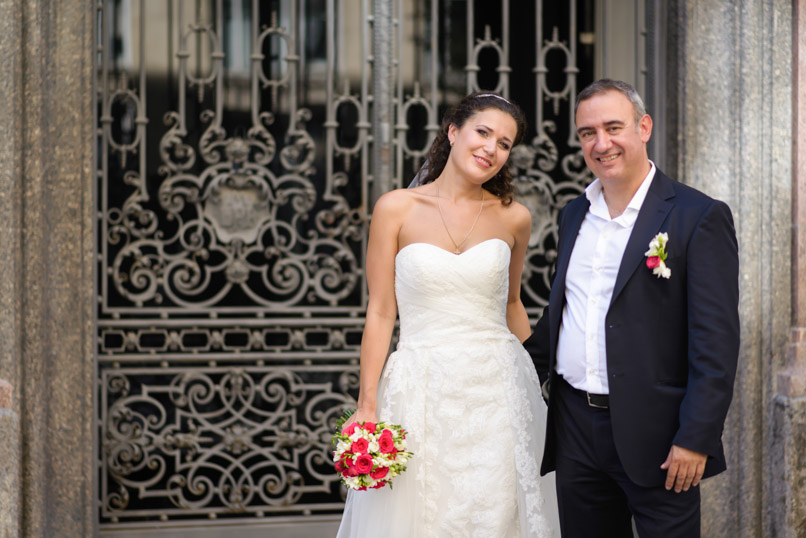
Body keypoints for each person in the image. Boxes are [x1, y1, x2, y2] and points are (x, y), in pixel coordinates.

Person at [336, 92, 560, 537]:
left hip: (499, 391)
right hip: (422, 386)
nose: (491, 148)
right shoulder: (395, 208)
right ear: (453, 131)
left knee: (502, 512)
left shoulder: (514, 218)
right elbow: (380, 311)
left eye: (504, 143)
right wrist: (367, 404)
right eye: (483, 132)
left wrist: (537, 384)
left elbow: (512, 303)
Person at [523, 78, 740, 537]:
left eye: (613, 127)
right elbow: (563, 315)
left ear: (644, 127)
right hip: (574, 430)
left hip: (659, 437)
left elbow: (715, 344)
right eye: (587, 133)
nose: (601, 144)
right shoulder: (573, 214)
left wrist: (695, 437)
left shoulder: (697, 216)